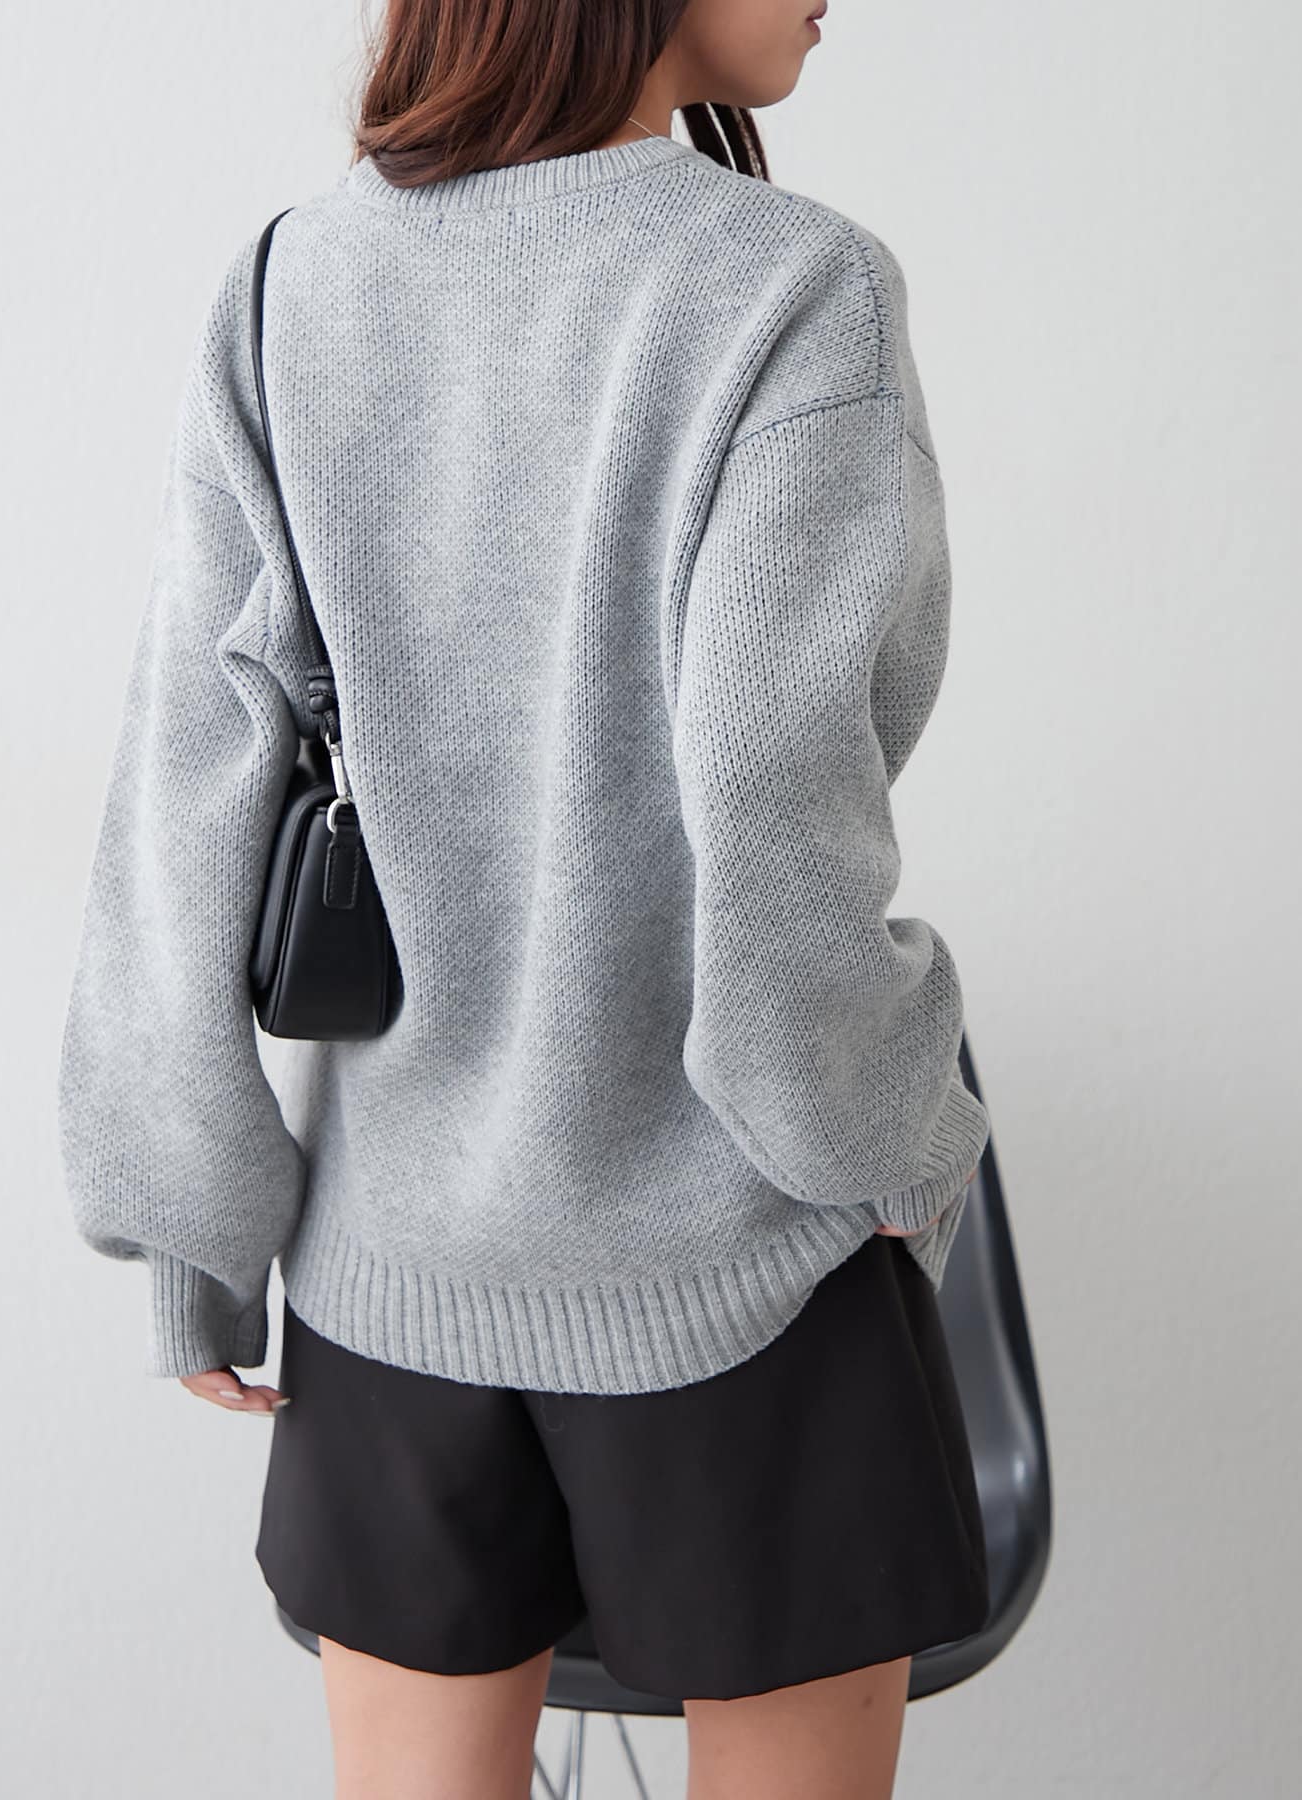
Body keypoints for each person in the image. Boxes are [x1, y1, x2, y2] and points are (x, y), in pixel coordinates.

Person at [56, 0, 994, 1793]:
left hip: (391, 1276)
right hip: (743, 1271)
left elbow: (185, 781)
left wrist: (193, 1227)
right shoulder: (793, 287)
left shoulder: (290, 284)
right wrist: (898, 1145)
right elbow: (777, 800)